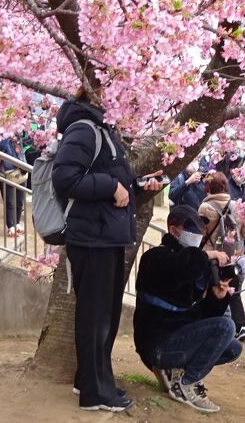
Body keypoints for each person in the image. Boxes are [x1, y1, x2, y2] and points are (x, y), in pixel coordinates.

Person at [52, 86, 162, 413]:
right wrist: (111, 186)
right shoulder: (84, 130)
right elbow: (65, 179)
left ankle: (90, 378)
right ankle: (94, 392)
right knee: (95, 317)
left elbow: (113, 182)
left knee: (105, 317)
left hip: (105, 235)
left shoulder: (103, 130)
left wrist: (137, 185)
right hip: (91, 239)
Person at [133, 205, 242, 413]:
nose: (197, 237)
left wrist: (216, 299)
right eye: (192, 232)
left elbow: (199, 317)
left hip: (175, 341)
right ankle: (185, 384)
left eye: (199, 233)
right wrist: (207, 255)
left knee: (232, 346)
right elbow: (182, 267)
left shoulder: (192, 262)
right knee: (226, 326)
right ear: (174, 231)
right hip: (155, 345)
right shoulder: (156, 258)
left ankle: (176, 372)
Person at [198, 172, 245, 341]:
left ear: (209, 187)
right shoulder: (237, 206)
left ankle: (220, 327)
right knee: (235, 291)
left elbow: (201, 233)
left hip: (214, 257)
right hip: (235, 255)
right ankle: (240, 326)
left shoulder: (205, 208)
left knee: (215, 291)